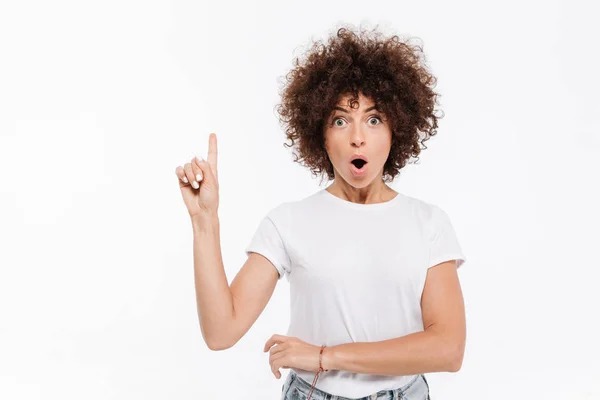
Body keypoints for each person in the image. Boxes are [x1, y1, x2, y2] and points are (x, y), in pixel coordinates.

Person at [175, 25, 467, 400]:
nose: (357, 137)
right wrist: (205, 224)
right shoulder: (287, 222)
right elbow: (220, 332)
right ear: (320, 133)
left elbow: (448, 349)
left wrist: (325, 357)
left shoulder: (429, 223)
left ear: (397, 128)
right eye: (340, 120)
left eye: (374, 119)